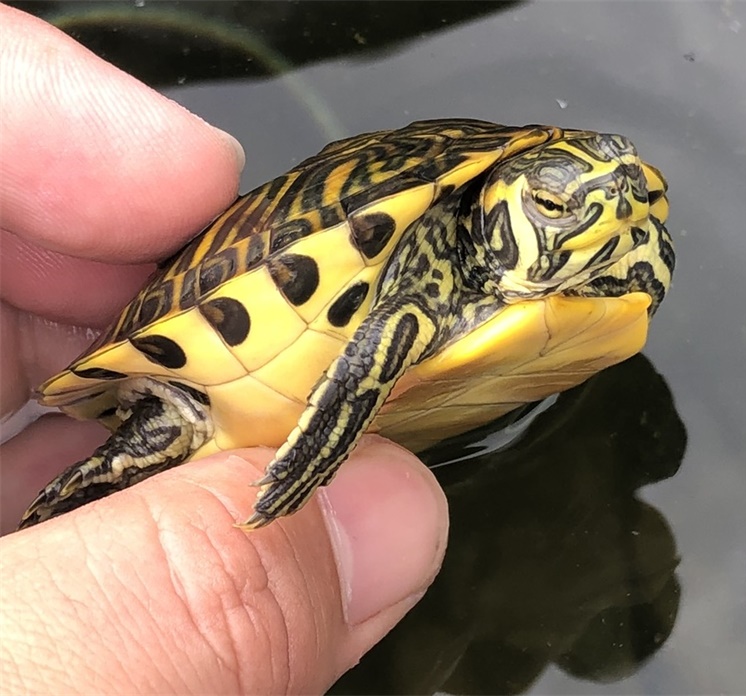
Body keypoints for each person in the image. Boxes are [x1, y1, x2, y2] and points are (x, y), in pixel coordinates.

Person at [0, 5, 449, 693]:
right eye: (552, 206)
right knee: (152, 438)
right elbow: (391, 330)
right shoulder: (416, 274)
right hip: (207, 367)